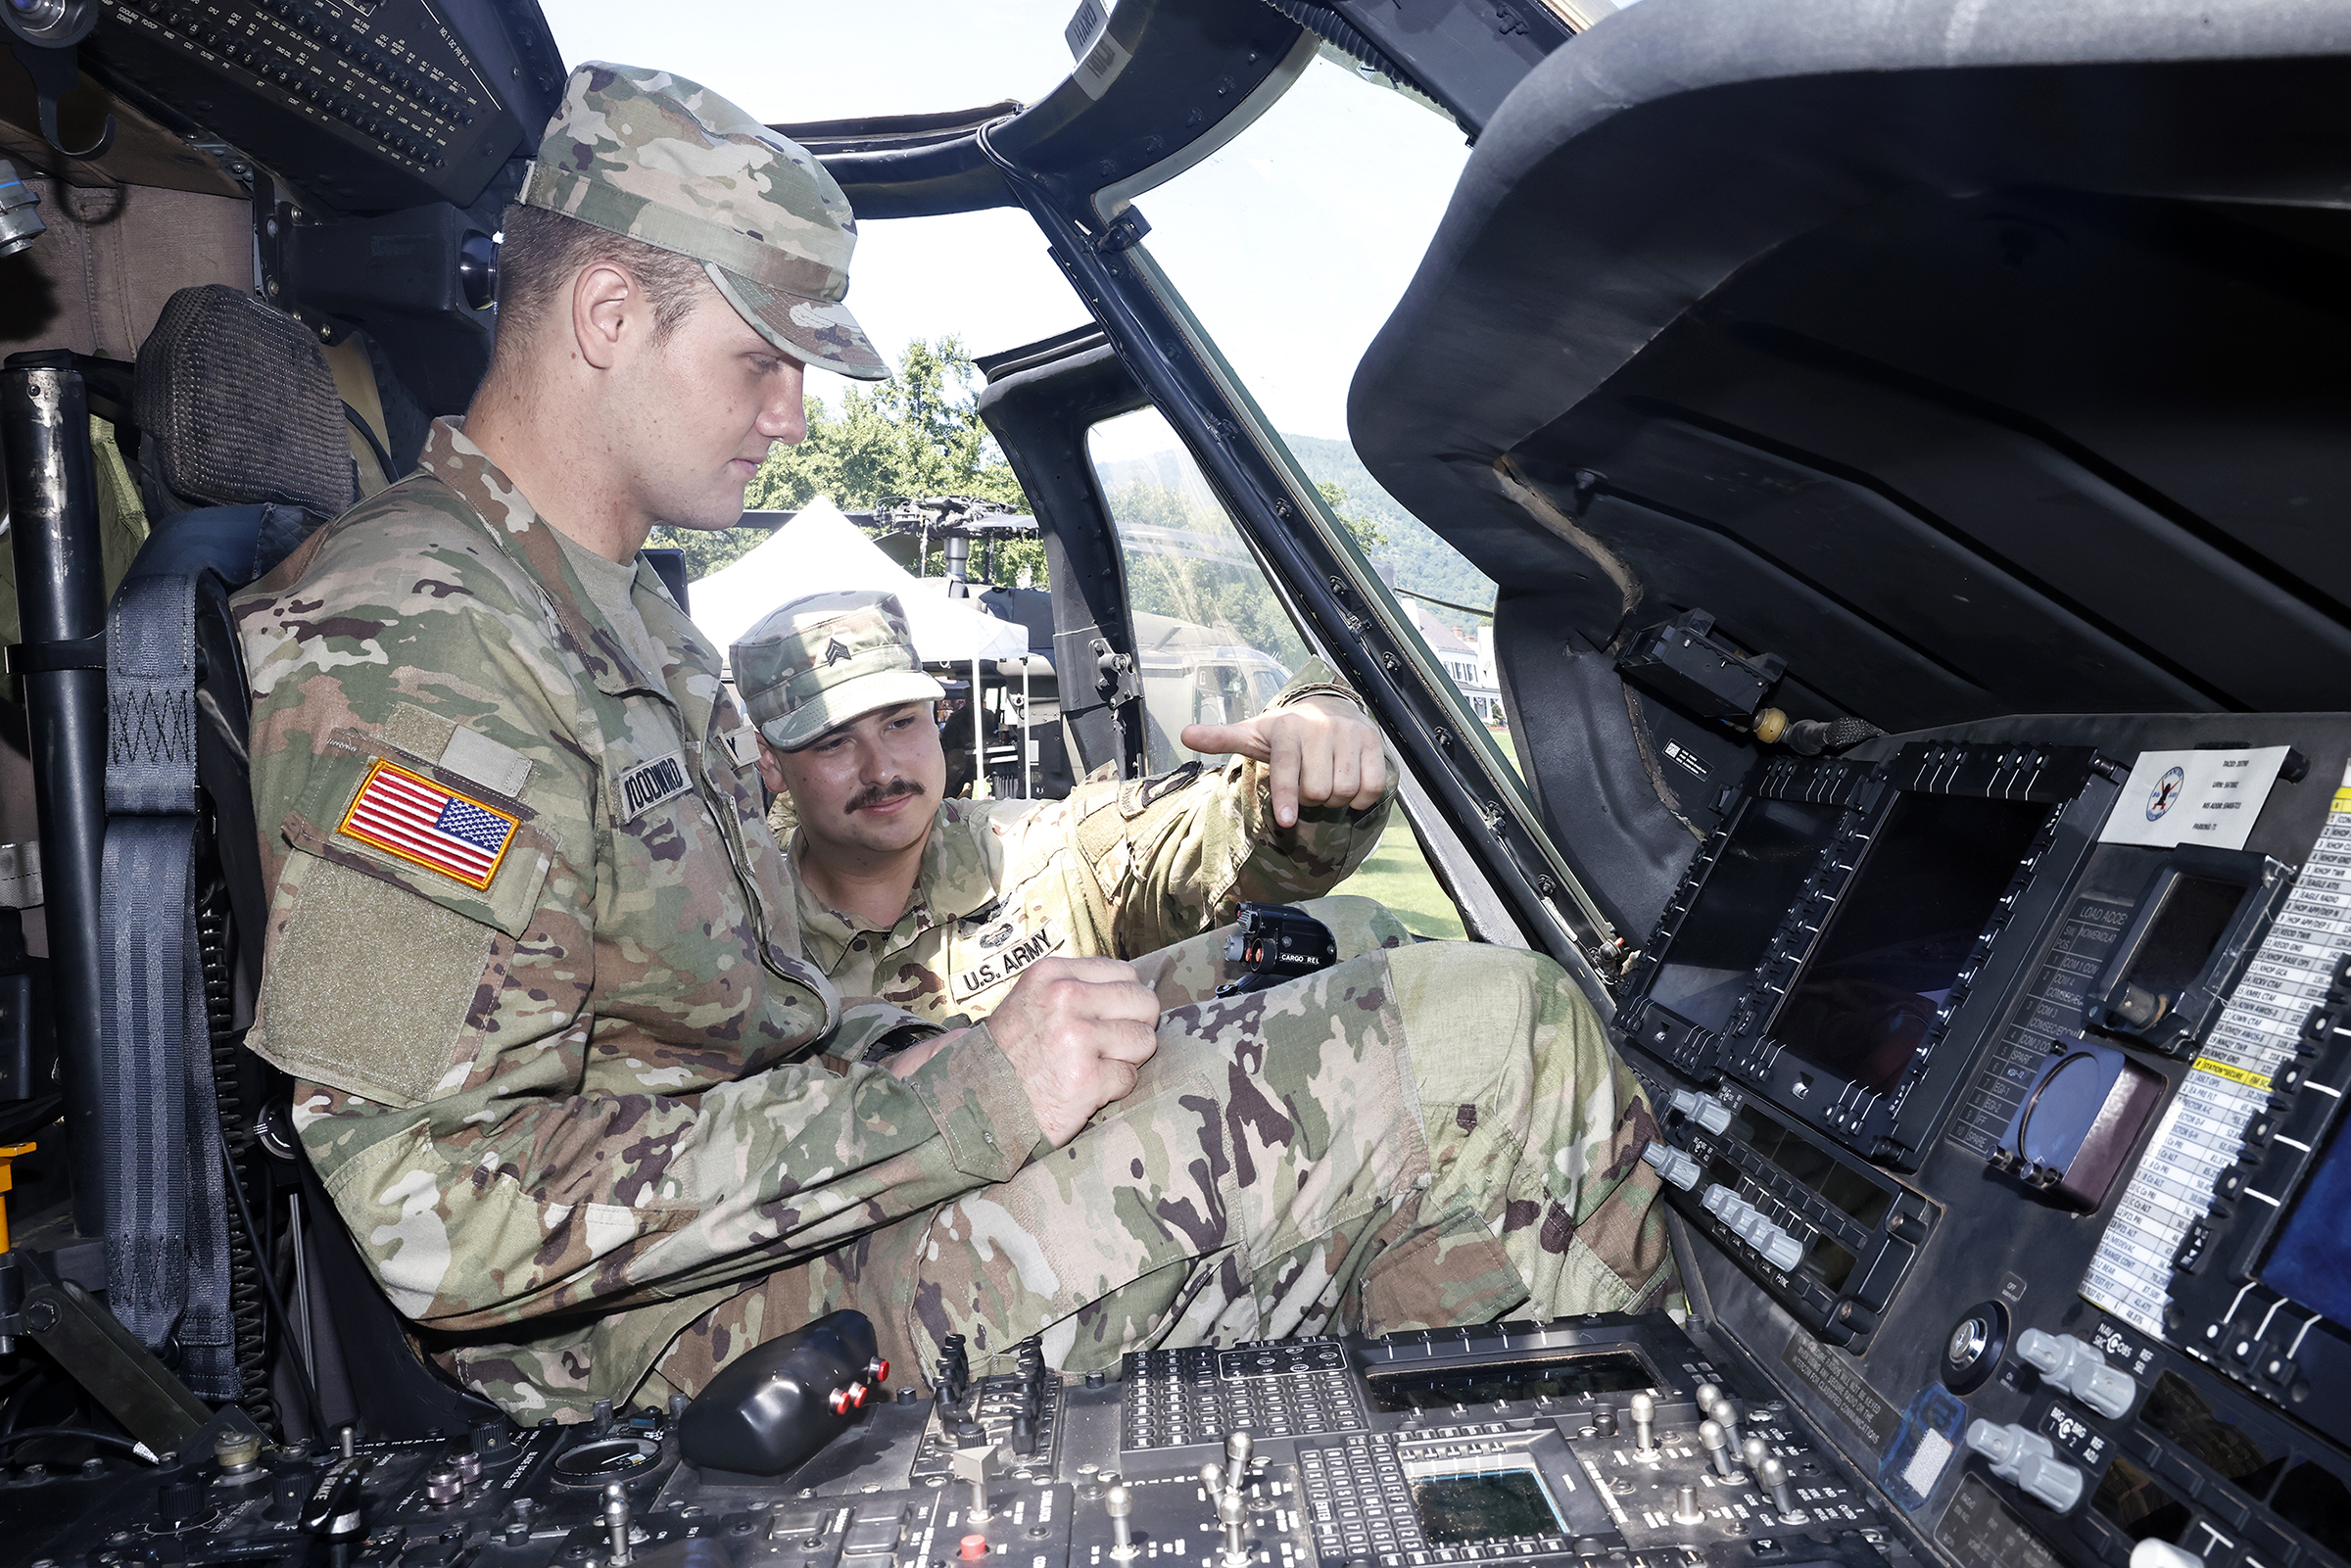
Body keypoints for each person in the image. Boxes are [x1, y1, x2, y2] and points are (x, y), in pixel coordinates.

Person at [235, 62, 1672, 1420]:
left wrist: (1086, 1011)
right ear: (608, 313)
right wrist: (967, 1099)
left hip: (790, 1235)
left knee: (1362, 960)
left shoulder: (619, 613)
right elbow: (434, 1205)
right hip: (683, 1344)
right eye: (760, 361)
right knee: (1506, 1037)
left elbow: (746, 1043)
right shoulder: (411, 642)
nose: (792, 417)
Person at [734, 588, 1404, 1024]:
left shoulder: (1049, 854)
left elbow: (1207, 845)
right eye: (834, 742)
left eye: (901, 723)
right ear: (771, 761)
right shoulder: (732, 940)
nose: (881, 769)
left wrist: (1313, 732)